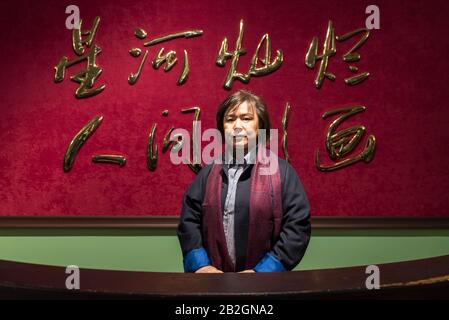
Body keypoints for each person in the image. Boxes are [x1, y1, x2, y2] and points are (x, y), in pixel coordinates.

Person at [177, 90, 311, 273]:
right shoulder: (208, 173)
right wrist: (201, 265)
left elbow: (297, 226)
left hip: (266, 286)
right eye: (230, 119)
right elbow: (189, 221)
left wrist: (263, 271)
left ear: (260, 126)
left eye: (246, 118)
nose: (237, 126)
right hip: (213, 282)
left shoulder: (282, 173)